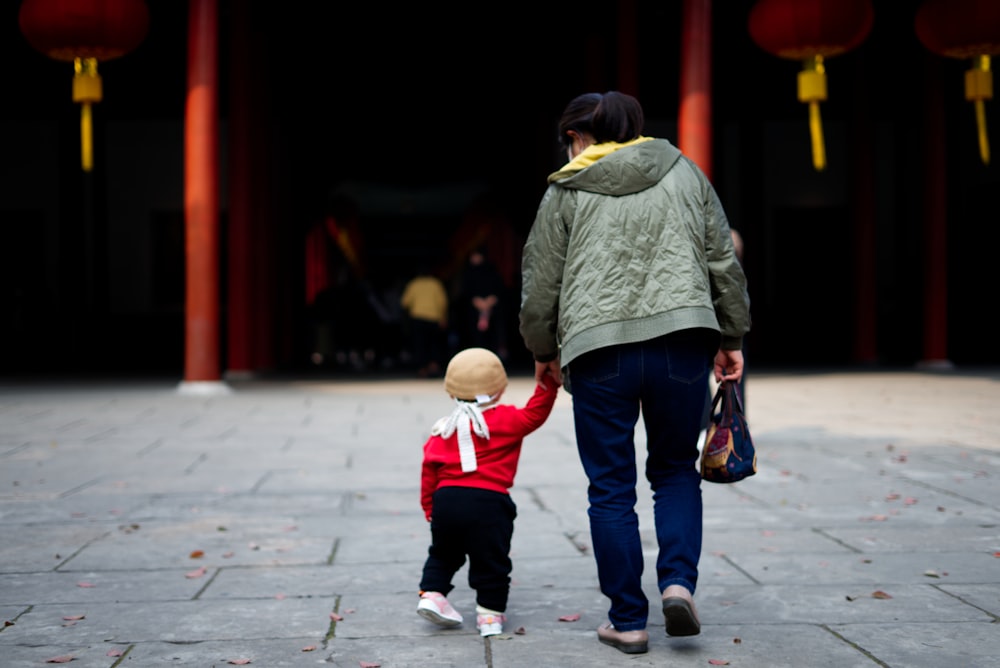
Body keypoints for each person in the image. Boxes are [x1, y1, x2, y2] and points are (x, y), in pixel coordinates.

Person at [519, 91, 750, 654]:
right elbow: (721, 256)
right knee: (674, 472)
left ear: (576, 137)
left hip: (598, 351)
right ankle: (677, 583)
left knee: (610, 486)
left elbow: (541, 277)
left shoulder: (565, 189)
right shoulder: (685, 173)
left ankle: (628, 620)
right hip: (682, 341)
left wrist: (542, 347)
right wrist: (732, 334)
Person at [417, 347, 560, 637]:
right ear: (499, 391)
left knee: (443, 553)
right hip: (489, 503)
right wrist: (549, 385)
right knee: (491, 559)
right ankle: (490, 615)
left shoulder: (443, 429)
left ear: (449, 392)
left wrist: (430, 509)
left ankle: (432, 594)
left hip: (446, 501)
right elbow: (535, 414)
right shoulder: (506, 419)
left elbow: (428, 470)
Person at [452, 246, 507, 358]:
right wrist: (476, 301)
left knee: (494, 336)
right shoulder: (468, 272)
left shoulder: (492, 271)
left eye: (476, 256)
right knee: (475, 338)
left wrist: (490, 301)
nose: (474, 258)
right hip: (473, 310)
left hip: (493, 309)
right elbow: (465, 291)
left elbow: (500, 288)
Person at [400, 263, 449, 377]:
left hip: (418, 318)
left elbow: (405, 303)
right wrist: (443, 318)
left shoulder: (413, 284)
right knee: (434, 343)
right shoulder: (436, 284)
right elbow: (443, 302)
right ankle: (434, 366)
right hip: (434, 318)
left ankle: (422, 368)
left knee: (420, 344)